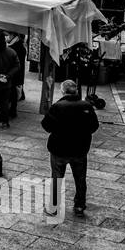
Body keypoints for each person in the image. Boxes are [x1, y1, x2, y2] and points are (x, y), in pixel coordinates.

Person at [41, 79, 99, 218]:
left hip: (59, 149)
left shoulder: (57, 106)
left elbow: (46, 126)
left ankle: (54, 207)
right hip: (79, 149)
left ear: (63, 91)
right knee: (80, 178)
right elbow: (94, 126)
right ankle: (79, 206)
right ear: (76, 91)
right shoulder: (87, 106)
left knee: (57, 178)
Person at [0, 32, 21, 126]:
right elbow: (17, 65)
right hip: (7, 81)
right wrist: (8, 75)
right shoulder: (11, 51)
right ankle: (5, 121)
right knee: (5, 101)